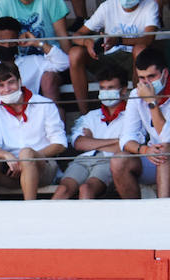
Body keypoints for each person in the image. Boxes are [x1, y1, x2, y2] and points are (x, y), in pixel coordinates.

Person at [67, 0, 159, 116]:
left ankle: (138, 111)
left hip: (134, 61)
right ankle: (84, 114)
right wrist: (86, 42)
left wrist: (119, 41)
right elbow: (77, 35)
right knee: (75, 53)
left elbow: (148, 39)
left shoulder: (150, 6)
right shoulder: (108, 6)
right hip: (108, 57)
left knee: (140, 49)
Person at [112, 44, 170, 198]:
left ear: (165, 73)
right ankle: (135, 216)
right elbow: (125, 138)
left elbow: (167, 137)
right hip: (156, 155)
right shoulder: (136, 94)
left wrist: (152, 102)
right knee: (119, 160)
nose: (147, 83)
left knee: (165, 150)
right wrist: (145, 150)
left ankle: (162, 211)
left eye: (152, 77)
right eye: (142, 78)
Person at [0, 61, 67, 200]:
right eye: (1, 85)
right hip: (9, 169)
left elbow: (60, 144)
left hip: (42, 166)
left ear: (20, 81)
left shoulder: (44, 104)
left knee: (26, 153)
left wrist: (29, 158)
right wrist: (7, 156)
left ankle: (28, 212)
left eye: (10, 82)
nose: (7, 89)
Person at [52, 64, 130, 200]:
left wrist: (92, 141)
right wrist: (116, 141)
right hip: (83, 160)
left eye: (111, 88)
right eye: (102, 88)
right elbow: (79, 144)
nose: (106, 92)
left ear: (123, 90)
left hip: (108, 161)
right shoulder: (90, 116)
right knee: (63, 190)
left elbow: (127, 146)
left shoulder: (131, 116)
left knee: (86, 188)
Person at [0, 17, 71, 104]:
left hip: (27, 118)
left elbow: (64, 62)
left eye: (11, 42)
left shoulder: (32, 62)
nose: (7, 46)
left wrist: (37, 43)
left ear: (17, 40)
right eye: (2, 42)